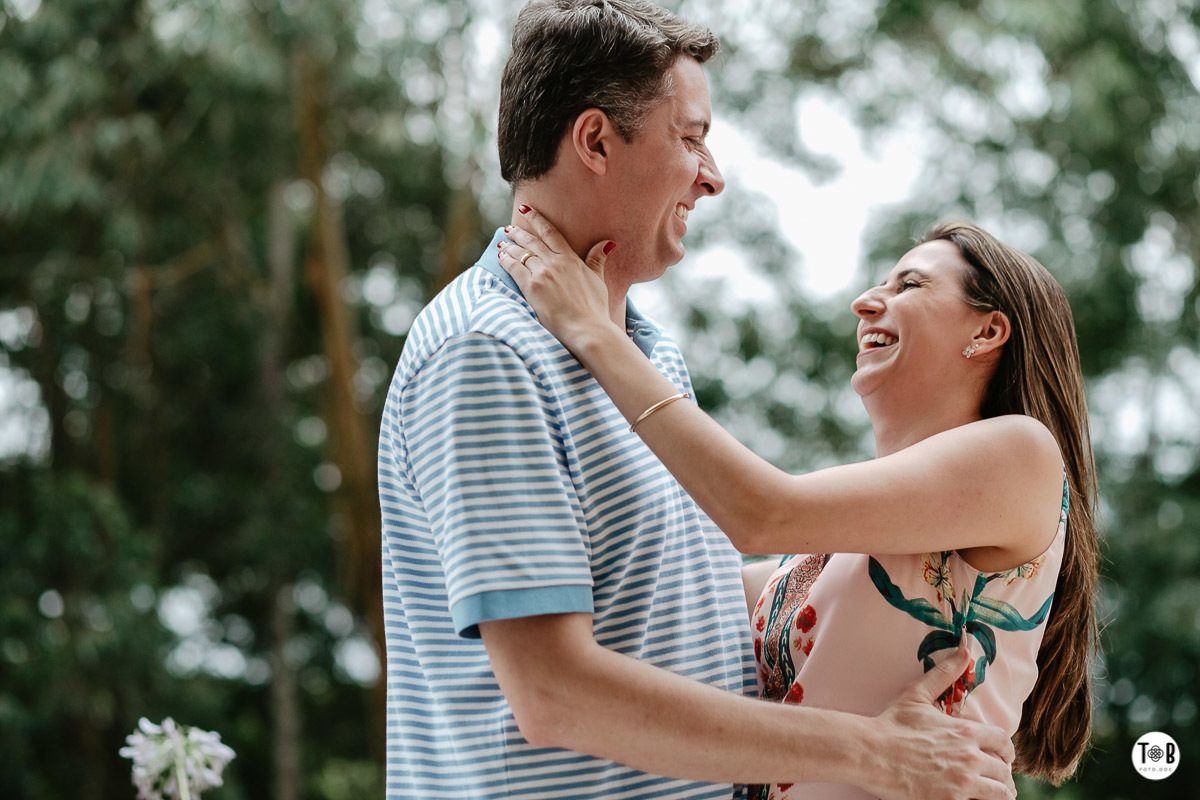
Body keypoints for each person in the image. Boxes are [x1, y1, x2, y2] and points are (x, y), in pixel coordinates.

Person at [378, 2, 1017, 798]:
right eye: (690, 138)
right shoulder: (489, 352)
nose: (712, 176)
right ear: (595, 141)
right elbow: (553, 693)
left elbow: (684, 609)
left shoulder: (650, 360)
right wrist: (872, 754)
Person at [496, 215, 1098, 799]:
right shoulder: (814, 569)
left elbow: (761, 513)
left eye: (910, 285)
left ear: (988, 332)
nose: (865, 302)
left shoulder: (1024, 455)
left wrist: (594, 331)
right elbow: (662, 595)